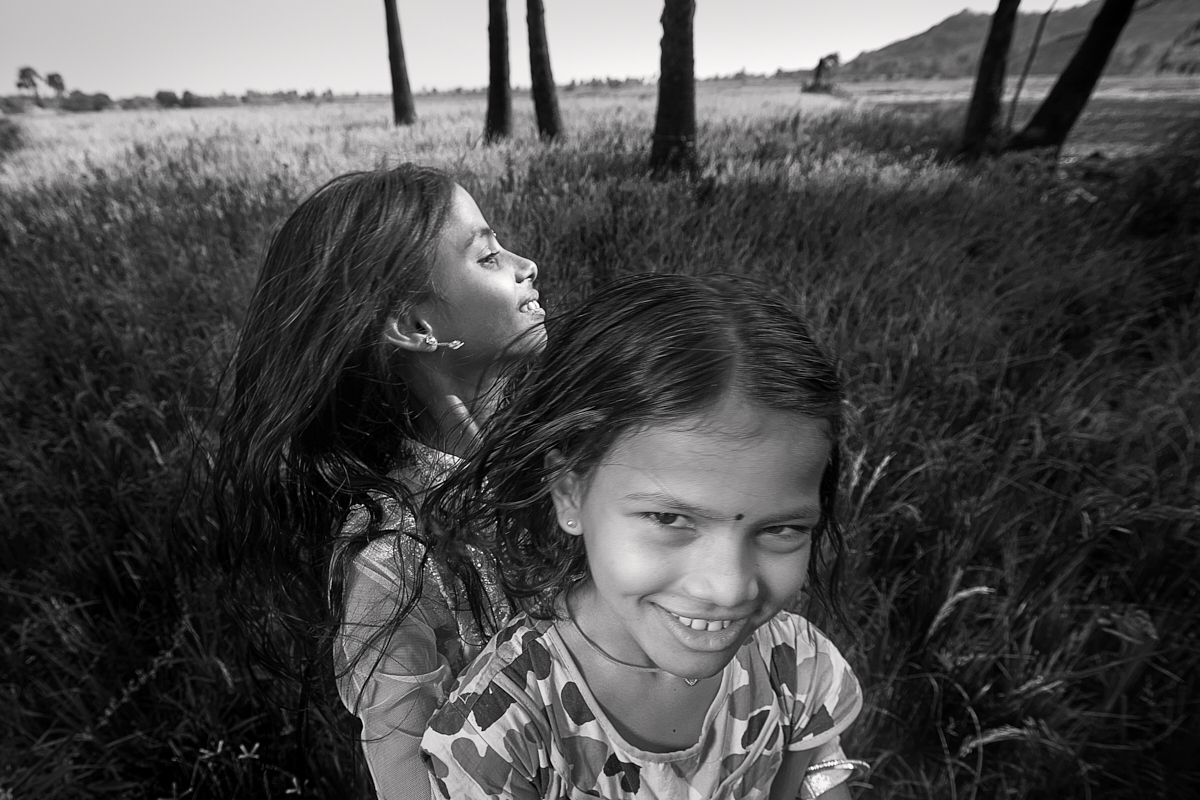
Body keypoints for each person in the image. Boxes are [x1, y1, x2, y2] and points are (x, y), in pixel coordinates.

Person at [421, 274, 868, 800]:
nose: (729, 589)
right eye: (669, 519)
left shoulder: (794, 665)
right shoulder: (498, 736)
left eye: (780, 528)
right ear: (569, 493)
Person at [209, 163, 545, 800]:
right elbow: (410, 782)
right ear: (416, 328)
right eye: (488, 256)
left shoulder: (558, 456)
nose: (526, 265)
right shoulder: (392, 561)